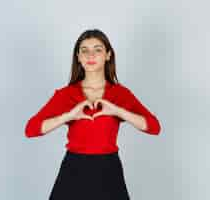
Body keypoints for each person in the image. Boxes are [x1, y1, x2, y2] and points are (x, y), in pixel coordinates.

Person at [24, 29, 161, 200]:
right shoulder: (66, 94)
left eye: (97, 50)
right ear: (78, 57)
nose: (91, 55)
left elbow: (154, 127)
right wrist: (68, 116)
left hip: (109, 170)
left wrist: (118, 111)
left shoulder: (120, 94)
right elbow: (31, 129)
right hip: (74, 169)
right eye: (84, 50)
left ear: (108, 55)